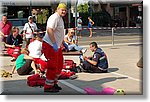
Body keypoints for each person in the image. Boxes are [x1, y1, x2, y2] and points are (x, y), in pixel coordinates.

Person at [42, 3, 67, 92]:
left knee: (59, 65)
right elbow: (49, 30)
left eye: (65, 10)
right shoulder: (54, 17)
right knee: (52, 66)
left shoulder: (60, 18)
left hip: (56, 45)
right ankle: (48, 86)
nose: (63, 11)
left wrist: (61, 43)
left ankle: (53, 82)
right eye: (62, 10)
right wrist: (54, 43)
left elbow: (59, 33)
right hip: (50, 45)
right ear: (57, 9)